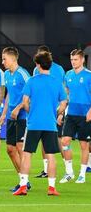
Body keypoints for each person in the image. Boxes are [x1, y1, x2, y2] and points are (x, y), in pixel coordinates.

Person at [13, 51, 67, 196]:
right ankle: (51, 188)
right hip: (50, 123)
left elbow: (24, 102)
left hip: (34, 123)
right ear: (50, 64)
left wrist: (31, 111)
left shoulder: (32, 81)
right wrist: (57, 112)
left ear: (37, 64)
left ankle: (23, 186)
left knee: (27, 154)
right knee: (50, 155)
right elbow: (64, 101)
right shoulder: (56, 82)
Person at [0, 47, 31, 192]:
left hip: (23, 116)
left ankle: (24, 182)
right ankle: (23, 180)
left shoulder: (23, 74)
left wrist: (18, 108)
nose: (3, 62)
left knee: (20, 147)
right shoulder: (6, 74)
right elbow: (8, 95)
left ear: (13, 59)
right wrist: (3, 113)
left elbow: (30, 96)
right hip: (11, 116)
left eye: (4, 59)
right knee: (10, 149)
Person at [33, 45, 65, 178]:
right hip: (42, 110)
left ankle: (67, 168)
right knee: (43, 140)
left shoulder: (58, 69)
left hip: (55, 109)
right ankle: (46, 170)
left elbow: (63, 90)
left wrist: (61, 112)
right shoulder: (36, 70)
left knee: (59, 140)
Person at [59, 49, 91, 184]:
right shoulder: (68, 74)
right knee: (64, 142)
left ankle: (82, 174)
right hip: (71, 114)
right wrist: (61, 112)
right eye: (72, 60)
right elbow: (66, 94)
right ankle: (69, 172)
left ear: (82, 60)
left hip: (85, 114)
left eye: (76, 59)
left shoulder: (89, 75)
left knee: (84, 145)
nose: (73, 62)